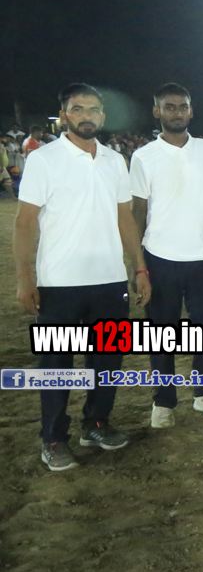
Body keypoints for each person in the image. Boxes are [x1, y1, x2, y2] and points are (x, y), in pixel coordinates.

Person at [14, 84, 150, 471]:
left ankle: (96, 423)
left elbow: (125, 218)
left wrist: (139, 267)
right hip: (59, 283)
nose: (86, 115)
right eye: (77, 108)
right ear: (64, 115)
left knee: (107, 361)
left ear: (102, 116)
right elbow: (25, 222)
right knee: (56, 365)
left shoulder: (114, 160)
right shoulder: (44, 159)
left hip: (109, 279)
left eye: (93, 109)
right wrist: (25, 277)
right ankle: (54, 437)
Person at [129, 82, 203, 427]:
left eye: (182, 106)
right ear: (156, 111)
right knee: (161, 333)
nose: (177, 112)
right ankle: (163, 401)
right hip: (160, 257)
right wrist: (137, 265)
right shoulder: (143, 156)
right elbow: (138, 212)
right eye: (169, 107)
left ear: (191, 110)